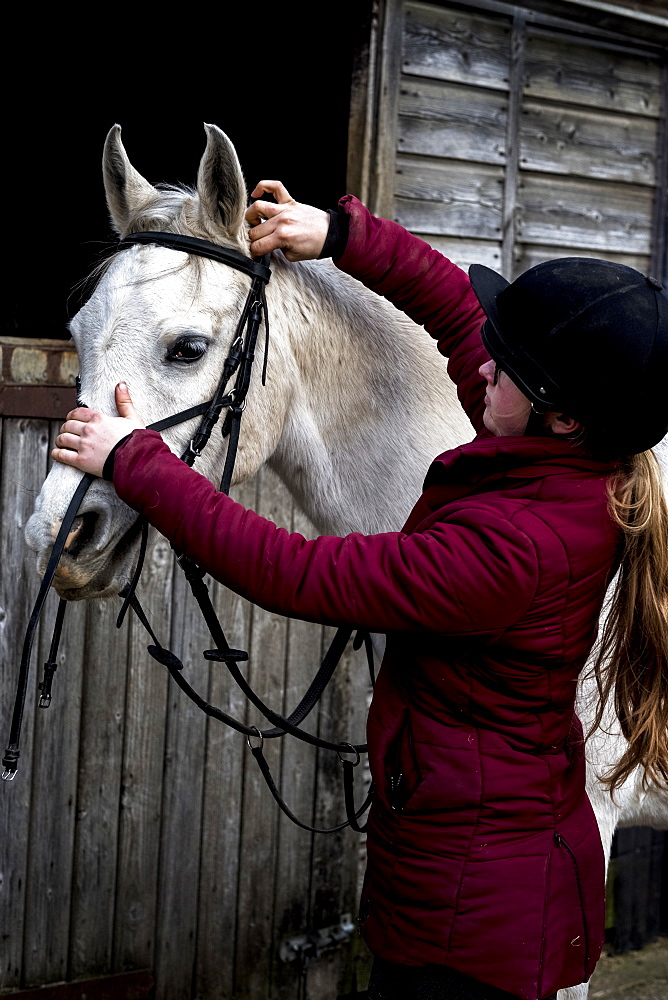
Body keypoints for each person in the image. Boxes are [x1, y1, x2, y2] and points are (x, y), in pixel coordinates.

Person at [51, 182, 668, 1000]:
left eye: (507, 365)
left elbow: (293, 572)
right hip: (467, 884)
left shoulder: (518, 548)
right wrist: (338, 233)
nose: (482, 362)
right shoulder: (560, 460)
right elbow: (454, 309)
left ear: (560, 415)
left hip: (473, 926)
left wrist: (135, 459)